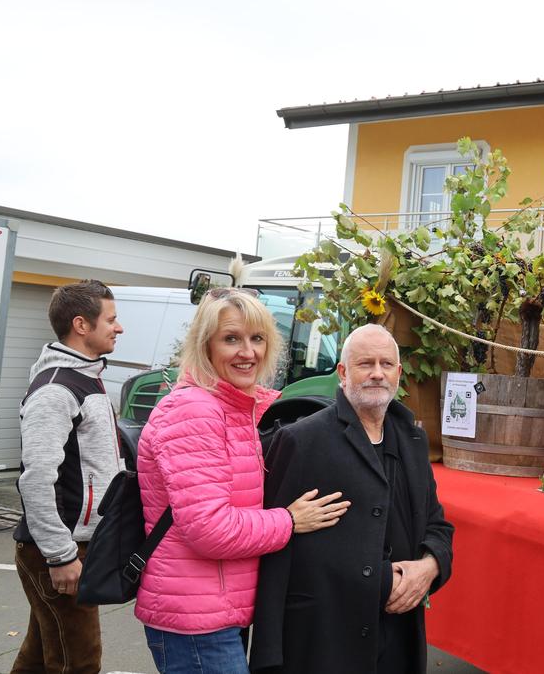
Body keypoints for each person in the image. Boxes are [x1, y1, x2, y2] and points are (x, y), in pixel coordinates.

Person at [134, 288, 349, 674]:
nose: (247, 352)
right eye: (231, 339)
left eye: (257, 339)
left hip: (215, 609)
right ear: (206, 345)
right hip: (195, 619)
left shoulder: (234, 406)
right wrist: (290, 520)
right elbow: (209, 529)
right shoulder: (194, 411)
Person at [251, 324, 454, 674]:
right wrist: (267, 651)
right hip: (324, 638)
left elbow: (437, 523)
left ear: (399, 373)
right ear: (343, 372)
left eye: (386, 364)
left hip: (396, 635)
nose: (377, 374)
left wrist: (430, 566)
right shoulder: (302, 440)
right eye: (365, 364)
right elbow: (274, 552)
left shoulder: (412, 440)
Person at [12, 280, 123, 674]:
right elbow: (36, 479)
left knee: (41, 655)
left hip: (72, 546)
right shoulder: (56, 389)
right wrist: (60, 556)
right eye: (111, 319)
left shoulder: (86, 378)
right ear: (81, 324)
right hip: (58, 551)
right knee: (77, 662)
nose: (119, 327)